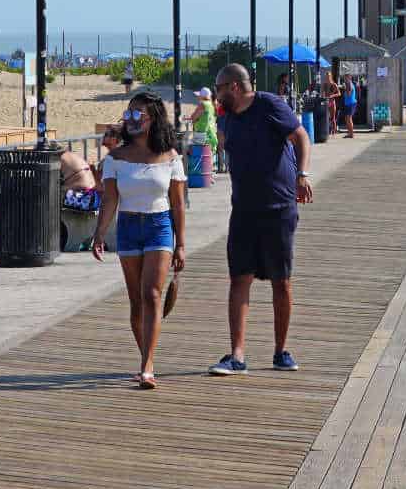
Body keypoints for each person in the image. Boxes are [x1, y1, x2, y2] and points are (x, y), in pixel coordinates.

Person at [209, 64, 311, 376]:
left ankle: (281, 351)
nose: (217, 95)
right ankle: (237, 355)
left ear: (234, 87)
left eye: (220, 88)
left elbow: (300, 136)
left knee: (281, 281)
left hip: (278, 207)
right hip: (243, 209)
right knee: (239, 277)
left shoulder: (270, 105)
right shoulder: (228, 117)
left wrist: (302, 175)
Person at [91, 94, 187, 388]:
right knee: (136, 301)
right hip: (129, 225)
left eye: (138, 115)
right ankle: (146, 356)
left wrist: (181, 243)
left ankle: (147, 367)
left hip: (159, 226)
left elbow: (178, 204)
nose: (131, 121)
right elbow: (110, 199)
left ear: (153, 119)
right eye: (128, 114)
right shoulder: (116, 159)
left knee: (152, 295)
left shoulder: (171, 157)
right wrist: (99, 233)